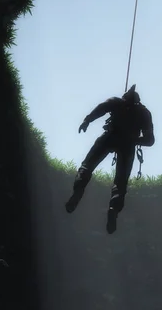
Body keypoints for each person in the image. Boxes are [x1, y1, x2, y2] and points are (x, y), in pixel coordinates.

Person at [65, 85, 155, 234]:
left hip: (109, 137)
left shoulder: (116, 102)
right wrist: (134, 140)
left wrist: (87, 121)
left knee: (87, 166)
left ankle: (79, 189)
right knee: (120, 183)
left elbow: (100, 109)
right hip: (128, 145)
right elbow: (150, 140)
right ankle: (114, 208)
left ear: (125, 97)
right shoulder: (144, 113)